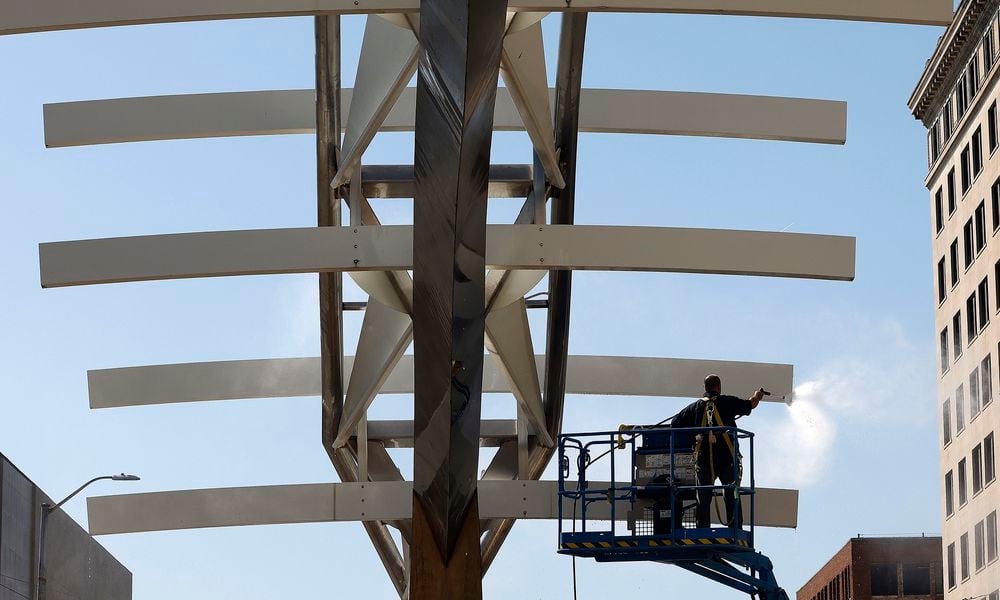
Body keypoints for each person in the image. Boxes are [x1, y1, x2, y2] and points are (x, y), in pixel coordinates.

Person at [671, 374, 765, 529]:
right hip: (726, 458)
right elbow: (750, 405)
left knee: (703, 495)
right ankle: (735, 528)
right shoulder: (727, 402)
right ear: (719, 387)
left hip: (704, 460)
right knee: (731, 493)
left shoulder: (695, 407)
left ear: (705, 388)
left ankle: (702, 530)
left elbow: (675, 423)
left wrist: (693, 435)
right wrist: (757, 395)